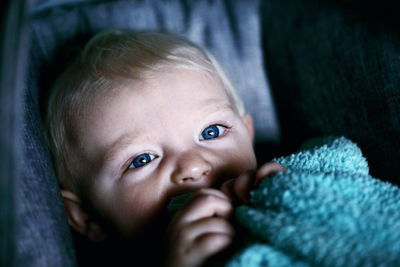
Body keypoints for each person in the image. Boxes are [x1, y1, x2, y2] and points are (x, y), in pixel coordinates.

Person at [45, 30, 285, 267]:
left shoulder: (286, 182)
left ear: (248, 134)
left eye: (211, 131)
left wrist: (294, 197)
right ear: (86, 217)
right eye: (142, 159)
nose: (193, 165)